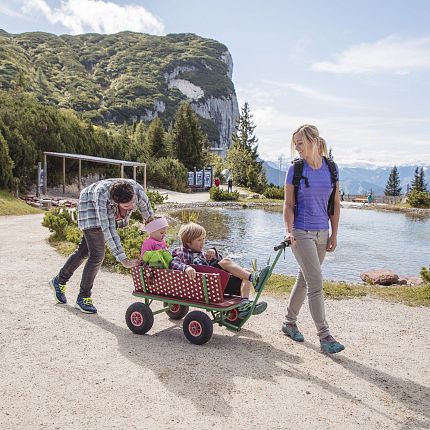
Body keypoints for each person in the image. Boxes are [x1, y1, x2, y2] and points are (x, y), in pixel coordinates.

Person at [281, 125, 345, 354]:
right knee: (316, 281)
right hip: (301, 231)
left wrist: (334, 234)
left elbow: (335, 205)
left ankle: (289, 322)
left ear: (313, 141)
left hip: (322, 232)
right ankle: (325, 335)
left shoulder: (331, 168)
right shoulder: (295, 170)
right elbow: (288, 205)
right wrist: (288, 231)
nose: (297, 148)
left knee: (305, 278)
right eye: (295, 144)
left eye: (300, 143)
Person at [49, 179, 153, 314]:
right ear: (116, 203)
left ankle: (58, 281)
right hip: (89, 204)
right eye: (127, 206)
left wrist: (155, 235)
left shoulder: (137, 190)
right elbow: (108, 229)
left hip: (104, 202)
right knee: (97, 254)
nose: (133, 206)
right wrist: (123, 259)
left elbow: (149, 214)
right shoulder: (102, 196)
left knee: (84, 250)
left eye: (133, 201)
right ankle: (83, 297)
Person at [170, 222, 268, 316]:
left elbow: (220, 260)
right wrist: (186, 267)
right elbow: (173, 263)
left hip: (218, 281)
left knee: (245, 271)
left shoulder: (202, 253)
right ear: (188, 242)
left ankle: (244, 303)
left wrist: (214, 253)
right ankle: (254, 278)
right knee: (226, 262)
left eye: (203, 239)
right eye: (199, 240)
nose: (203, 242)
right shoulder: (180, 252)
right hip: (208, 286)